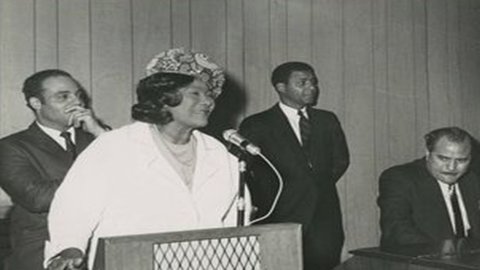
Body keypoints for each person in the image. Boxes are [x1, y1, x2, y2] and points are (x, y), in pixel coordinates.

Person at [45, 48, 248, 270]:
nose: (208, 101)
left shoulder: (219, 154)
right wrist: (70, 247)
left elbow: (237, 217)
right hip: (132, 262)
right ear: (164, 99)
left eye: (209, 94)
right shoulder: (113, 146)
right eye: (195, 94)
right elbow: (74, 205)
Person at [239, 62, 350, 270]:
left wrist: (313, 185)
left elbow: (340, 161)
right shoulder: (258, 123)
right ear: (281, 87)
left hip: (324, 217)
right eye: (302, 83)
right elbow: (243, 168)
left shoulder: (327, 120)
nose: (311, 88)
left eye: (313, 82)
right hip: (279, 215)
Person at [0, 69, 108, 270]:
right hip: (44, 247)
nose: (76, 103)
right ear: (36, 103)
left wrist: (101, 134)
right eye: (63, 97)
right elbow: (38, 197)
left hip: (104, 240)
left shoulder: (99, 138)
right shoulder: (11, 147)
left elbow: (133, 177)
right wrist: (103, 180)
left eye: (78, 95)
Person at [378, 127, 480, 250]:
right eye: (443, 158)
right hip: (420, 260)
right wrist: (445, 253)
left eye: (461, 160)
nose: (452, 167)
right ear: (428, 153)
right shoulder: (400, 178)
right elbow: (397, 229)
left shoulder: (472, 179)